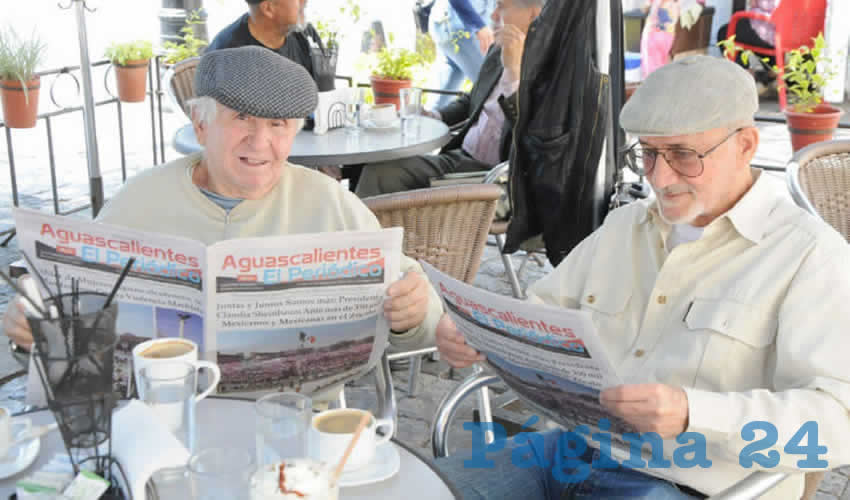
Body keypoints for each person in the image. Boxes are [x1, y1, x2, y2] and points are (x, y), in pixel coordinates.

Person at [433, 56, 850, 499]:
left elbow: (836, 421)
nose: (659, 177)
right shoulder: (626, 226)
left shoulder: (810, 255)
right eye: (648, 153)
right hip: (570, 451)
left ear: (746, 144)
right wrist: (481, 335)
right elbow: (539, 315)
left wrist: (693, 413)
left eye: (683, 155)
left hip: (690, 482)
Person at [2, 46, 443, 405]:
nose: (260, 142)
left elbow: (425, 321)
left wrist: (413, 313)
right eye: (241, 119)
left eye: (278, 125)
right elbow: (66, 311)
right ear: (200, 124)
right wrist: (33, 329)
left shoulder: (332, 204)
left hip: (291, 428)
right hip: (161, 420)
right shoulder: (138, 201)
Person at [354, 0, 545, 198]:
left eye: (502, 7)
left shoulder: (552, 70)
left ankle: (360, 228)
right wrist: (434, 115)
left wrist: (514, 75)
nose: (493, 15)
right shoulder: (499, 50)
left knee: (379, 173)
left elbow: (534, 142)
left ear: (534, 14)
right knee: (371, 163)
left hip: (490, 178)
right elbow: (472, 100)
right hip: (460, 157)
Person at [207, 0, 334, 92]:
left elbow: (323, 95)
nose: (305, 1)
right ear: (269, 8)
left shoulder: (305, 35)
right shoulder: (228, 54)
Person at [429, 0, 496, 108]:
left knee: (443, 96)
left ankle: (422, 122)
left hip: (447, 22)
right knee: (493, 87)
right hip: (464, 26)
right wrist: (478, 25)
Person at [716, 0, 781, 89]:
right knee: (747, 32)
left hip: (767, 30)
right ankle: (772, 76)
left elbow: (753, 3)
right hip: (788, 36)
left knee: (724, 33)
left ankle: (744, 77)